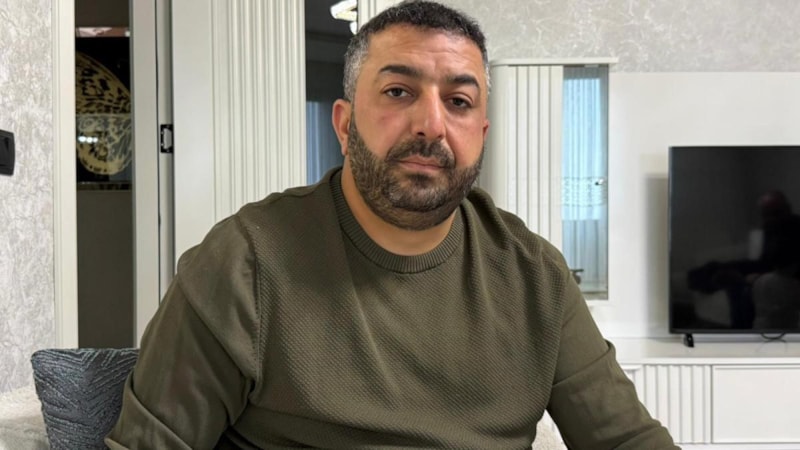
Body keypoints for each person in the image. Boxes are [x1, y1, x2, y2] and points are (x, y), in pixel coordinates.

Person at [107, 1, 677, 448]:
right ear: (345, 125)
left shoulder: (536, 276)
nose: (431, 124)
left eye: (459, 101)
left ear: (480, 134)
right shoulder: (244, 262)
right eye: (399, 92)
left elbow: (627, 440)